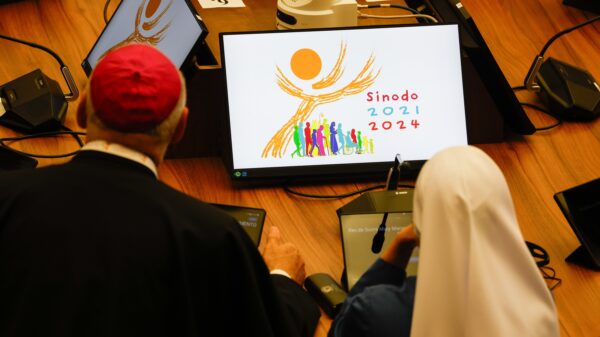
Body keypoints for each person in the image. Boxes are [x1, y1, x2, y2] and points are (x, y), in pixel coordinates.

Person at [0, 44, 319, 337]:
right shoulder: (211, 236)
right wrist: (281, 277)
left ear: (81, 110)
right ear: (181, 126)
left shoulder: (7, 195)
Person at [329, 145, 560, 337]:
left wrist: (400, 245)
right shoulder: (536, 299)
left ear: (420, 220)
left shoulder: (377, 311)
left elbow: (342, 327)